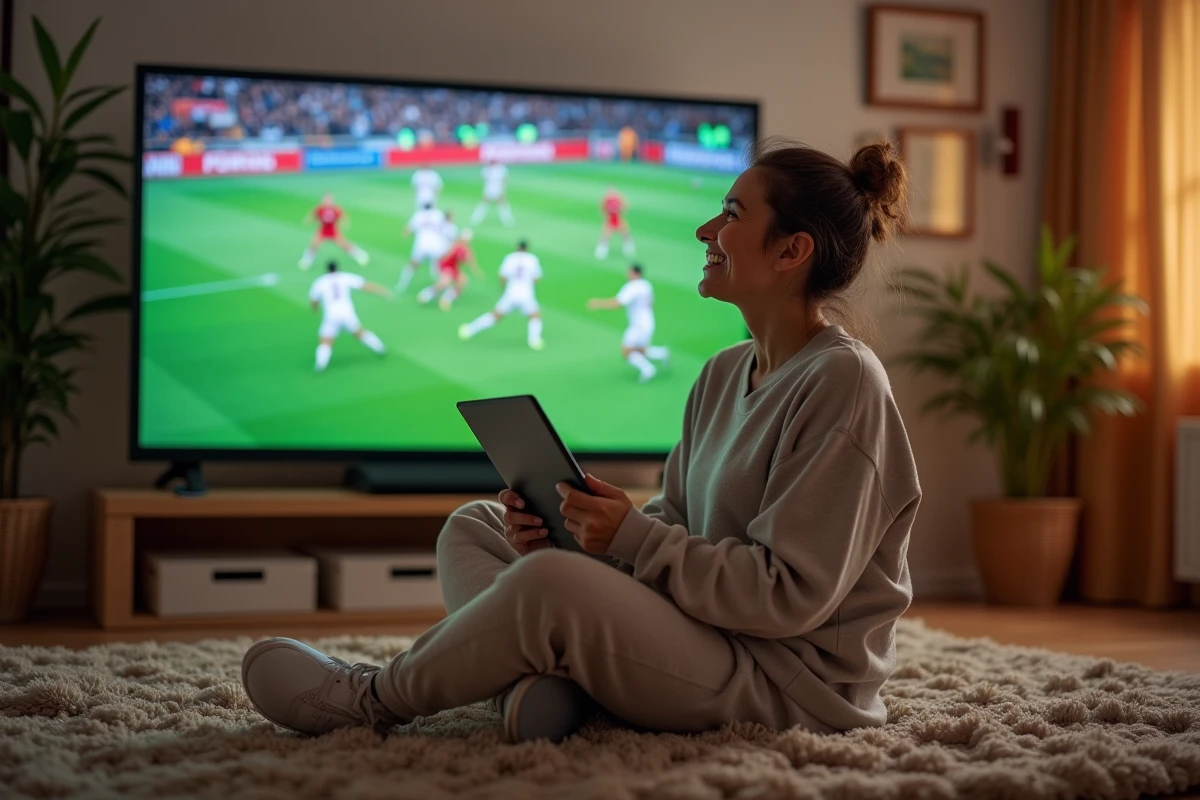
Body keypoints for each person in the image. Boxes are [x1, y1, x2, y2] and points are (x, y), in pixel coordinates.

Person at [241, 140, 922, 746]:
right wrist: (584, 528)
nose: (705, 229)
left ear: (791, 251)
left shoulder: (845, 382)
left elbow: (786, 597)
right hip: (710, 634)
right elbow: (678, 523)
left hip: (785, 683)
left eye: (733, 216)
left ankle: (370, 700)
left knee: (550, 583)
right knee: (476, 530)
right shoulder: (723, 372)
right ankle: (546, 691)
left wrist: (626, 543)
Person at [587, 264, 669, 383]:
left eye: (629, 272)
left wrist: (597, 303)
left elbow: (617, 303)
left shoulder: (632, 287)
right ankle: (662, 353)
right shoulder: (646, 285)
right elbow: (651, 303)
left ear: (635, 273)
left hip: (638, 326)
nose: (627, 274)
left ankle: (648, 369)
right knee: (640, 350)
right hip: (649, 322)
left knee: (626, 351)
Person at [457, 240, 544, 350]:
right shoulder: (532, 259)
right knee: (534, 317)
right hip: (526, 294)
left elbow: (502, 276)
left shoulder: (510, 258)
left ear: (516, 247)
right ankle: (534, 341)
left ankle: (468, 330)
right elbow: (537, 278)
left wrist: (503, 289)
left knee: (494, 317)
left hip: (511, 293)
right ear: (526, 248)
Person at [307, 260, 390, 372]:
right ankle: (380, 348)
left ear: (326, 270)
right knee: (360, 333)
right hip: (347, 313)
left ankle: (320, 365)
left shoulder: (320, 282)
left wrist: (315, 310)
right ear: (338, 268)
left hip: (331, 315)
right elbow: (365, 285)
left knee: (325, 340)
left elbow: (314, 301)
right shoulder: (345, 277)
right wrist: (382, 291)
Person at [417, 229, 484, 311]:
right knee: (444, 283)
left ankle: (446, 299)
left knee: (462, 282)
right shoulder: (454, 245)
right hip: (445, 265)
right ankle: (426, 294)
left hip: (453, 267)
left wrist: (476, 271)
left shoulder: (466, 250)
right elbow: (445, 256)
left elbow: (470, 261)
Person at [299, 193, 369, 269]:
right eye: (326, 199)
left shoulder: (335, 209)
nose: (328, 201)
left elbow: (343, 217)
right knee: (314, 244)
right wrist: (309, 220)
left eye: (329, 199)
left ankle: (360, 255)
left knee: (344, 245)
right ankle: (306, 261)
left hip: (333, 230)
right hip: (323, 230)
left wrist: (344, 224)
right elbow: (313, 215)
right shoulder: (320, 209)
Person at [395, 203, 449, 293]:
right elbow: (446, 229)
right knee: (438, 268)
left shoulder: (418, 215)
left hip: (421, 245)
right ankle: (442, 287)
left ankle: (401, 286)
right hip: (437, 245)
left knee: (412, 266)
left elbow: (406, 231)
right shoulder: (438, 214)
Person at [594, 186, 635, 259]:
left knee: (626, 234)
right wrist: (606, 216)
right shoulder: (605, 200)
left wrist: (621, 210)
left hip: (618, 219)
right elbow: (602, 209)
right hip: (610, 220)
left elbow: (625, 206)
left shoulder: (619, 198)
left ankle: (628, 248)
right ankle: (601, 251)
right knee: (605, 236)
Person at [470, 160, 515, 227]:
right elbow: (483, 178)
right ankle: (475, 220)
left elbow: (504, 179)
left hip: (498, 190)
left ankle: (508, 221)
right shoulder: (487, 169)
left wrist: (503, 190)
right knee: (483, 205)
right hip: (488, 190)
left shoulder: (501, 169)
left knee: (502, 206)